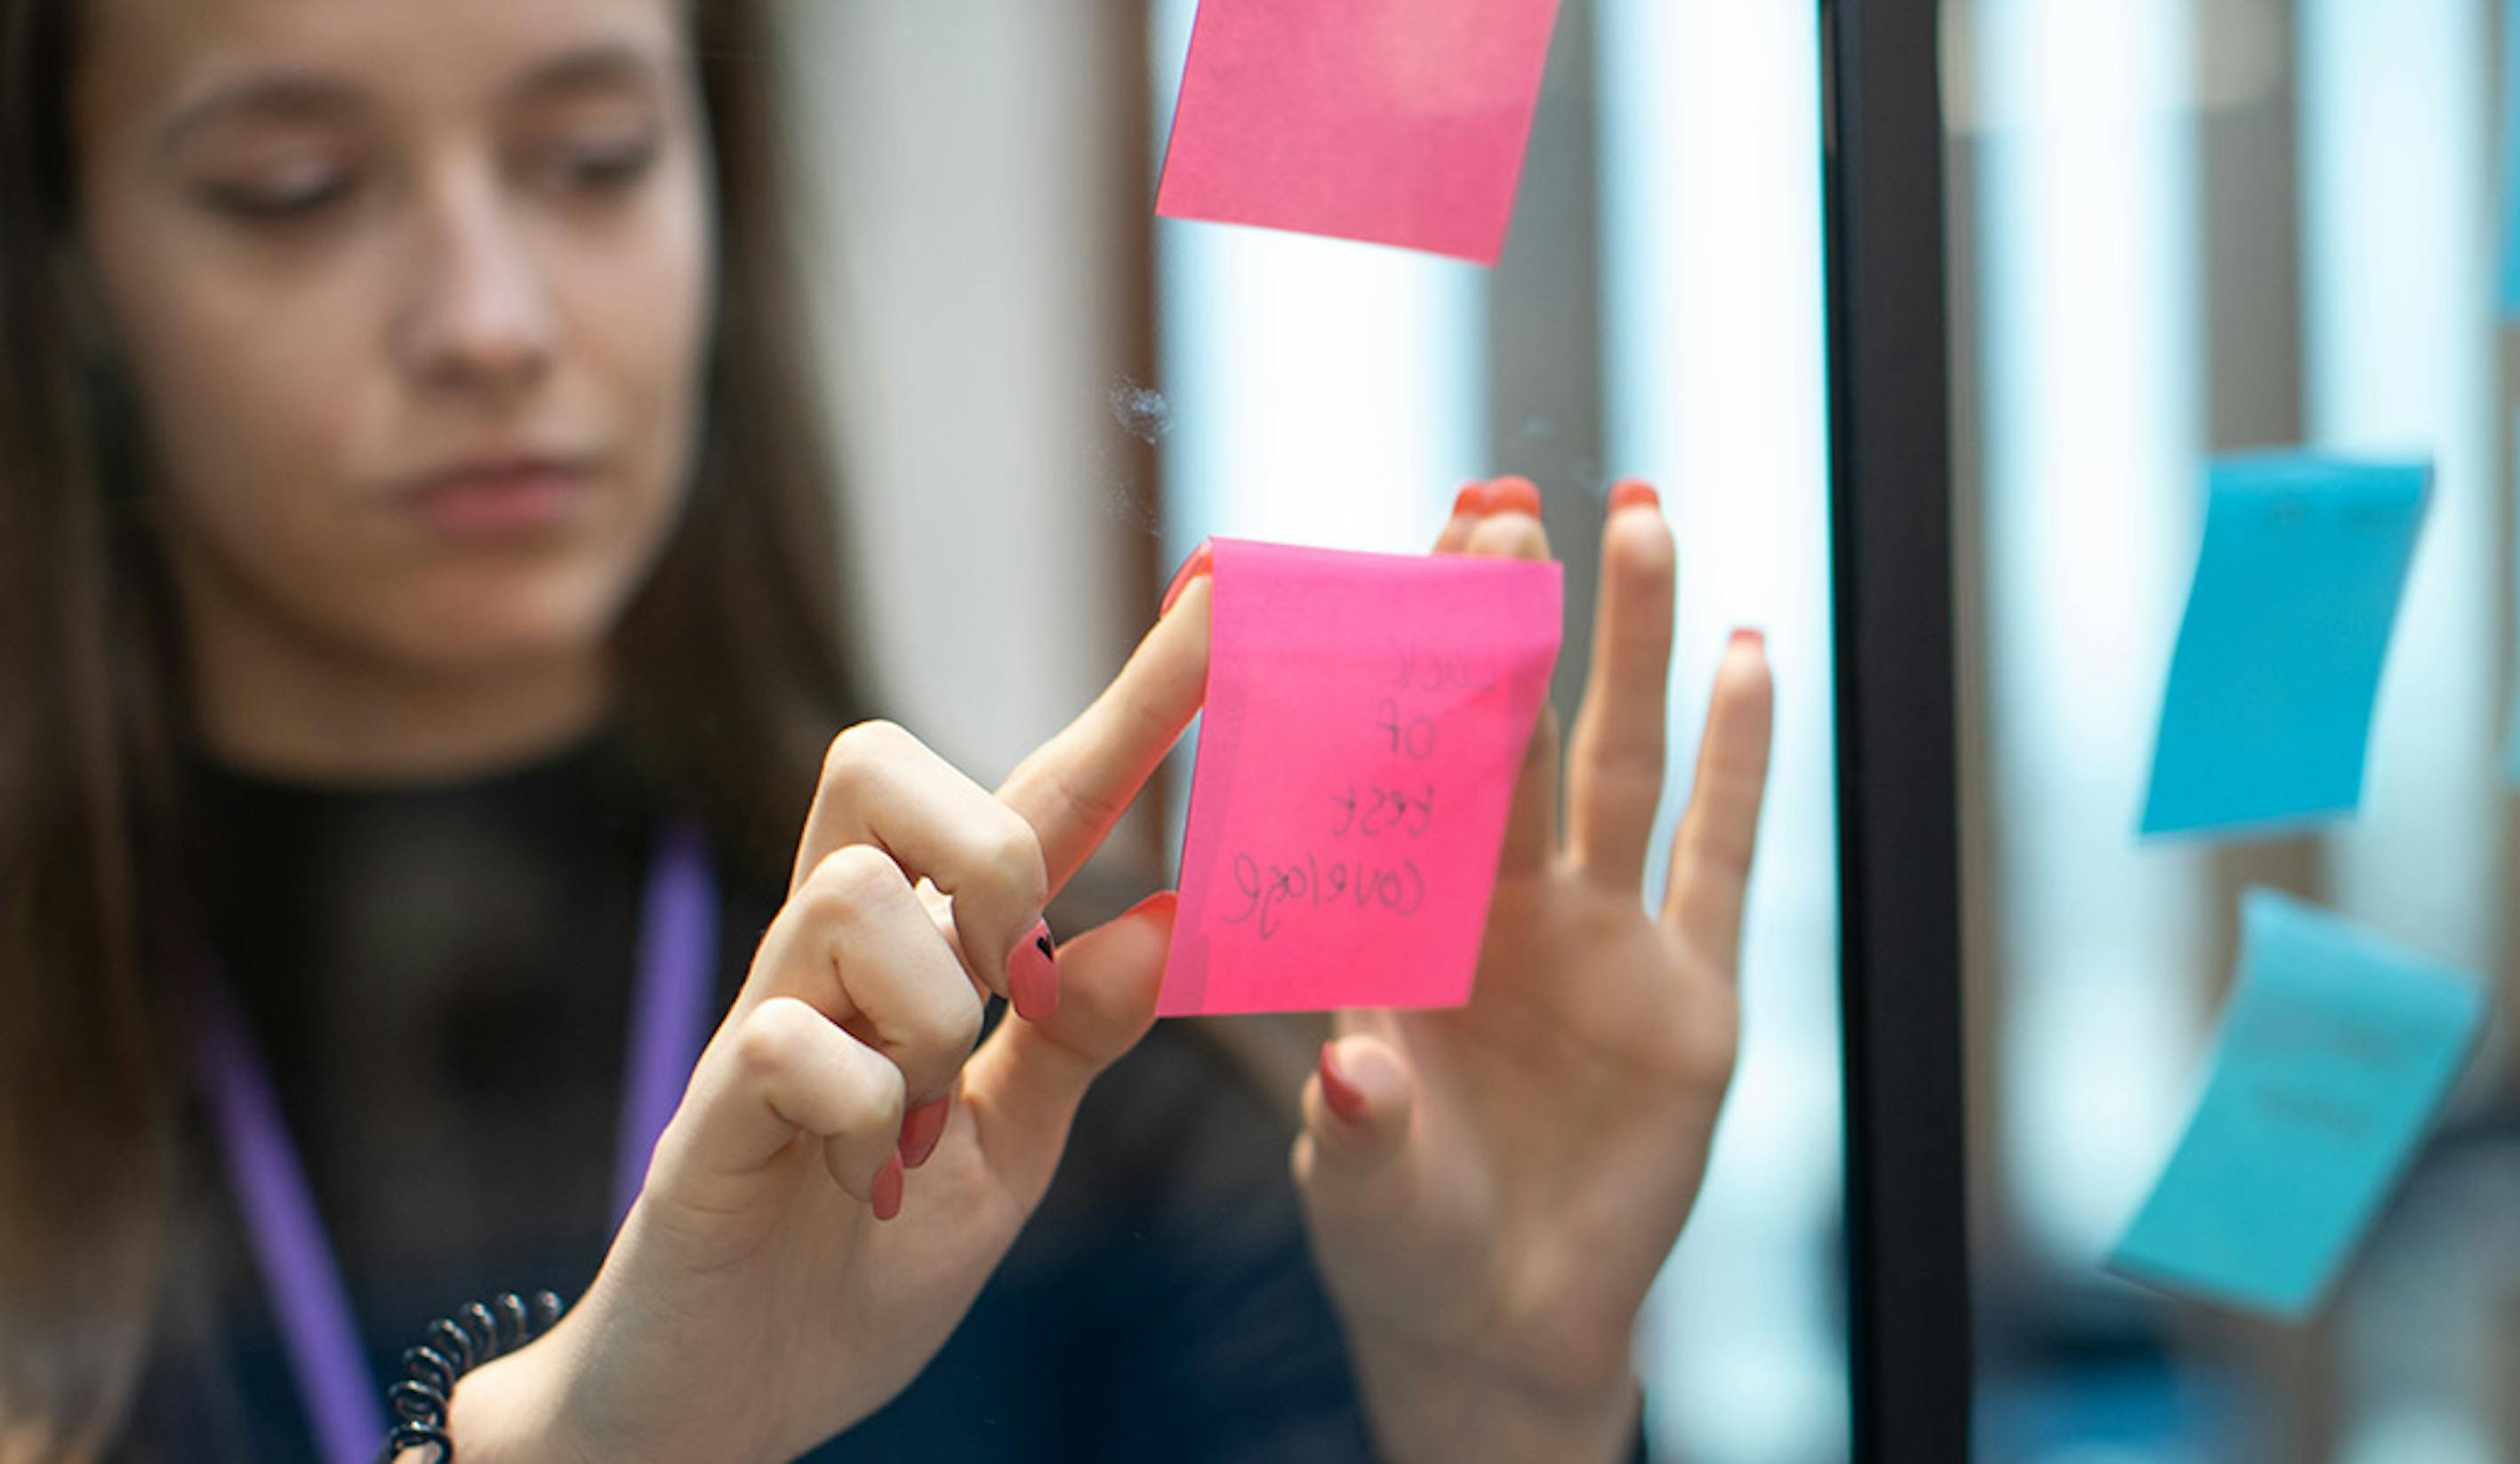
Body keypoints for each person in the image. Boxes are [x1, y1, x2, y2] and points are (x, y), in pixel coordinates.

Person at [0, 0, 1777, 1459]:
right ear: (67, 258)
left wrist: (1504, 1404)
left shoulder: (1057, 1077)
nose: (489, 319)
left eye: (594, 159)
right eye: (291, 188)